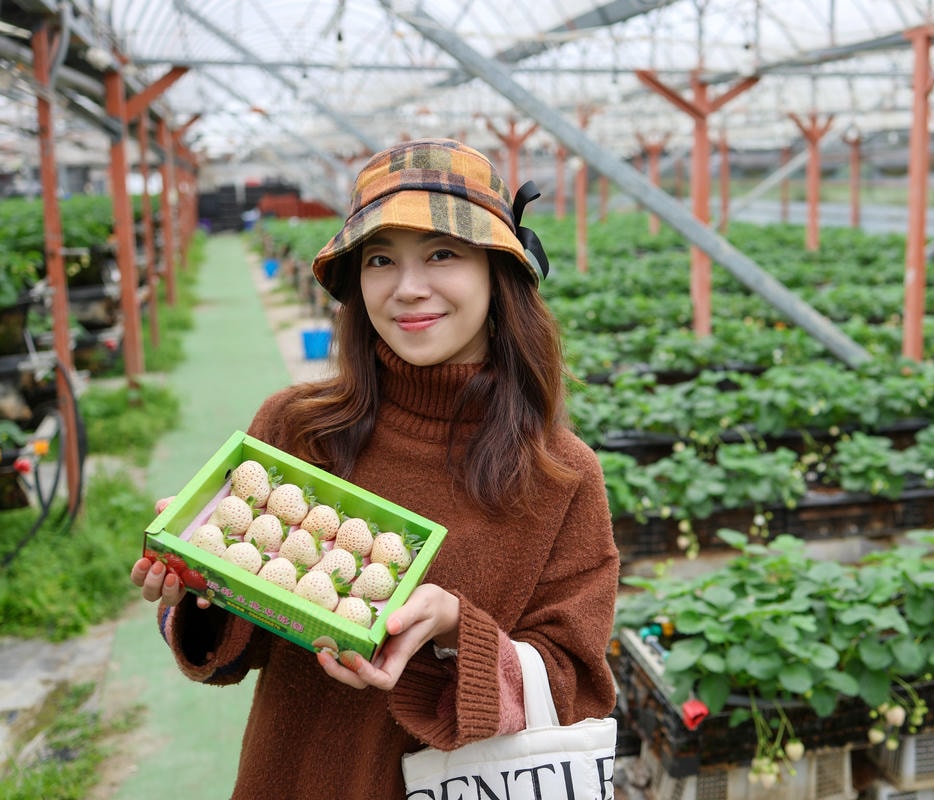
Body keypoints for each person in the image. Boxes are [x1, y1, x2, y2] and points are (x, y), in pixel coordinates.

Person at [130, 138, 620, 799]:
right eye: (381, 259)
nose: (408, 288)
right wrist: (200, 581)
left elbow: (575, 683)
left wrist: (455, 630)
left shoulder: (560, 474)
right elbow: (235, 650)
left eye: (442, 253)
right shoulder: (295, 431)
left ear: (497, 271)